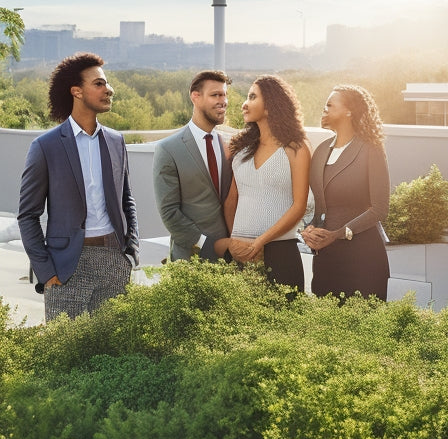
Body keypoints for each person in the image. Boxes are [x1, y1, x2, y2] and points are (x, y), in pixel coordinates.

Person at [17, 53, 139, 321]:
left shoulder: (116, 141)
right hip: (66, 267)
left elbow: (126, 199)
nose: (109, 89)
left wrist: (131, 252)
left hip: (113, 258)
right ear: (77, 91)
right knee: (64, 355)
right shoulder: (46, 146)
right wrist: (46, 271)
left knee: (113, 351)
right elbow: (28, 215)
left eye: (106, 84)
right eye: (99, 84)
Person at [213, 75, 309, 290]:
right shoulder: (240, 149)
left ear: (270, 106)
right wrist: (234, 242)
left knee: (283, 320)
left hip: (280, 251)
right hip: (241, 253)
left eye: (252, 97)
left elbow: (299, 205)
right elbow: (231, 201)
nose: (244, 104)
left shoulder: (296, 148)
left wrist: (259, 242)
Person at [301, 84, 390, 300]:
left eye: (330, 105)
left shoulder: (371, 149)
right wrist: (309, 229)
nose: (324, 109)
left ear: (349, 111)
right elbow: (318, 205)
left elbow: (380, 209)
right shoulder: (321, 151)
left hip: (363, 260)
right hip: (326, 260)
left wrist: (338, 234)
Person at [153, 70, 233, 261]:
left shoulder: (229, 146)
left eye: (225, 95)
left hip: (232, 257)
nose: (223, 101)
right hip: (192, 257)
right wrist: (205, 244)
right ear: (195, 97)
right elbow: (169, 212)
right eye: (215, 95)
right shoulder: (168, 149)